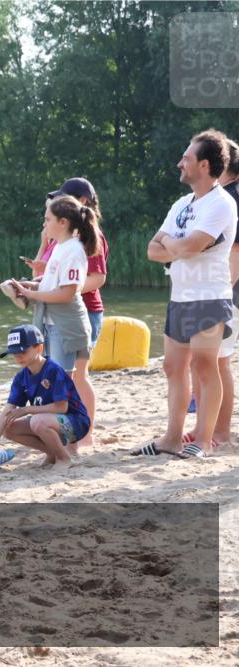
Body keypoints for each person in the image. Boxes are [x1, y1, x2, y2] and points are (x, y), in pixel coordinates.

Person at [133, 129, 237, 459]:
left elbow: (191, 246)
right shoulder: (181, 204)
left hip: (208, 297)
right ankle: (172, 438)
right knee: (173, 367)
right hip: (179, 297)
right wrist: (179, 247)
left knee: (206, 367)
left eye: (186, 158)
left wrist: (176, 246)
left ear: (204, 165)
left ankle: (203, 441)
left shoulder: (222, 203)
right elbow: (152, 249)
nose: (180, 163)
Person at [12, 195, 99, 453]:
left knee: (65, 385)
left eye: (48, 219)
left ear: (62, 222)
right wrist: (29, 286)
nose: (45, 224)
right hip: (52, 325)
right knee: (58, 382)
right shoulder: (60, 247)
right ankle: (65, 444)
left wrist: (31, 295)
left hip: (66, 326)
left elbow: (67, 293)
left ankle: (71, 447)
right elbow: (53, 286)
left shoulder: (72, 250)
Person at [183, 137, 239, 449]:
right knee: (212, 362)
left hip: (225, 294)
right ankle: (209, 428)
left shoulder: (229, 198)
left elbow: (236, 251)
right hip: (220, 293)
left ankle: (218, 432)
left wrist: (222, 294)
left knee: (216, 363)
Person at [0, 324, 90, 472]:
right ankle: (52, 453)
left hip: (76, 423)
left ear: (39, 348)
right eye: (13, 353)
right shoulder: (21, 377)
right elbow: (6, 412)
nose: (18, 356)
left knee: (37, 420)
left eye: (22, 351)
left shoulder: (53, 370)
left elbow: (62, 407)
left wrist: (27, 409)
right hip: (47, 421)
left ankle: (64, 458)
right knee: (8, 426)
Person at [26, 178, 110, 348]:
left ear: (82, 201)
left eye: (65, 198)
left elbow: (98, 278)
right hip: (58, 310)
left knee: (75, 370)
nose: (60, 203)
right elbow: (40, 276)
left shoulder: (89, 236)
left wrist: (65, 291)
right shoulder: (63, 237)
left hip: (84, 310)